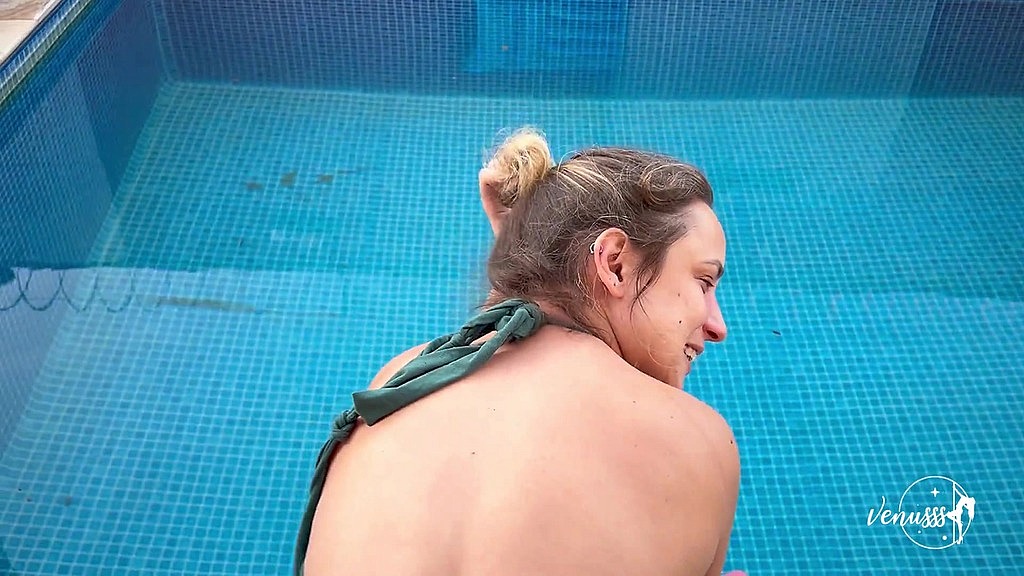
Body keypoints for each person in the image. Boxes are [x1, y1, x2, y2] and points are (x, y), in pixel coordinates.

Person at [295, 127, 744, 576]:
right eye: (703, 282)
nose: (717, 326)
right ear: (615, 263)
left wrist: (526, 258)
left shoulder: (402, 380)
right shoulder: (699, 443)